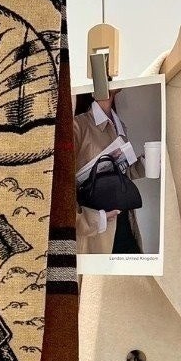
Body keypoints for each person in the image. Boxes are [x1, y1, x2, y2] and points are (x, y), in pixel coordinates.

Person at [74, 91, 145, 255]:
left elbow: (121, 176)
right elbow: (59, 186)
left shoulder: (119, 125)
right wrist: (94, 220)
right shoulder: (77, 125)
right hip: (97, 234)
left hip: (125, 222)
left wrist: (144, 163)